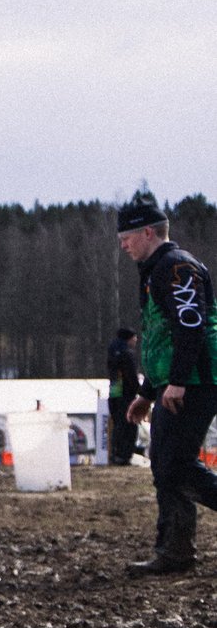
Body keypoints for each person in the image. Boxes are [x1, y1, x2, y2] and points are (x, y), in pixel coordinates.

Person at [116, 193, 217, 575]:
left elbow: (190, 326)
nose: (123, 246)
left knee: (174, 464)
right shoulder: (155, 270)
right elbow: (162, 338)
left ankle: (175, 551)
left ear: (148, 232)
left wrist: (177, 382)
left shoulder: (176, 267)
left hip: (196, 381)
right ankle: (175, 551)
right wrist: (147, 391)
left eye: (127, 237)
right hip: (178, 381)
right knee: (165, 463)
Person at [107, 326, 144, 468]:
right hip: (126, 395)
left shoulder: (112, 352)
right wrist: (141, 391)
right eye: (134, 338)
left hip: (114, 393)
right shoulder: (127, 354)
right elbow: (131, 376)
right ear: (129, 338)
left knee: (118, 425)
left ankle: (115, 454)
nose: (136, 340)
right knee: (129, 425)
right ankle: (124, 455)